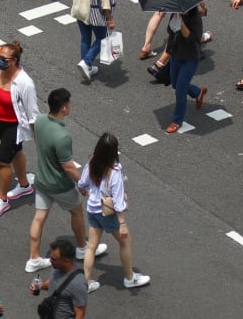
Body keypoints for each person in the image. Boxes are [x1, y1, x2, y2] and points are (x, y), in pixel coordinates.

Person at [26, 88, 107, 274]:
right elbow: (68, 167)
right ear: (64, 108)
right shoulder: (62, 136)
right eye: (68, 104)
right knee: (77, 211)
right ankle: (81, 248)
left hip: (42, 181)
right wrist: (83, 183)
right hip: (59, 185)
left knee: (39, 218)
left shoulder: (39, 121)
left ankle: (34, 258)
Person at [77, 133, 150, 292]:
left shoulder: (92, 161)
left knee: (91, 247)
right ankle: (130, 278)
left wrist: (84, 190)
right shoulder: (114, 172)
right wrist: (122, 223)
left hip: (93, 210)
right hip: (107, 214)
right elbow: (117, 202)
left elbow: (82, 183)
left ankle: (86, 283)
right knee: (125, 242)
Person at [0, 41, 40, 218]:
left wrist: (39, 139)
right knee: (16, 152)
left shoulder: (25, 83)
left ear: (14, 61)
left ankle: (2, 199)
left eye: (3, 59)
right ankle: (24, 185)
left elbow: (33, 113)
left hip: (15, 126)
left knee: (3, 161)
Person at [165, 5, 208, 134]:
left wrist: (182, 24)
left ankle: (177, 121)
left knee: (180, 90)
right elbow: (169, 30)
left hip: (189, 58)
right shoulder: (175, 13)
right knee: (174, 83)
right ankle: (198, 92)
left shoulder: (196, 19)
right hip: (176, 54)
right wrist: (175, 19)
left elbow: (192, 39)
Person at [29, 240, 87, 319]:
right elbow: (53, 282)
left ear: (66, 260)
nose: (50, 260)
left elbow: (80, 314)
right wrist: (40, 286)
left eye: (53, 259)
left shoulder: (78, 283)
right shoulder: (57, 267)